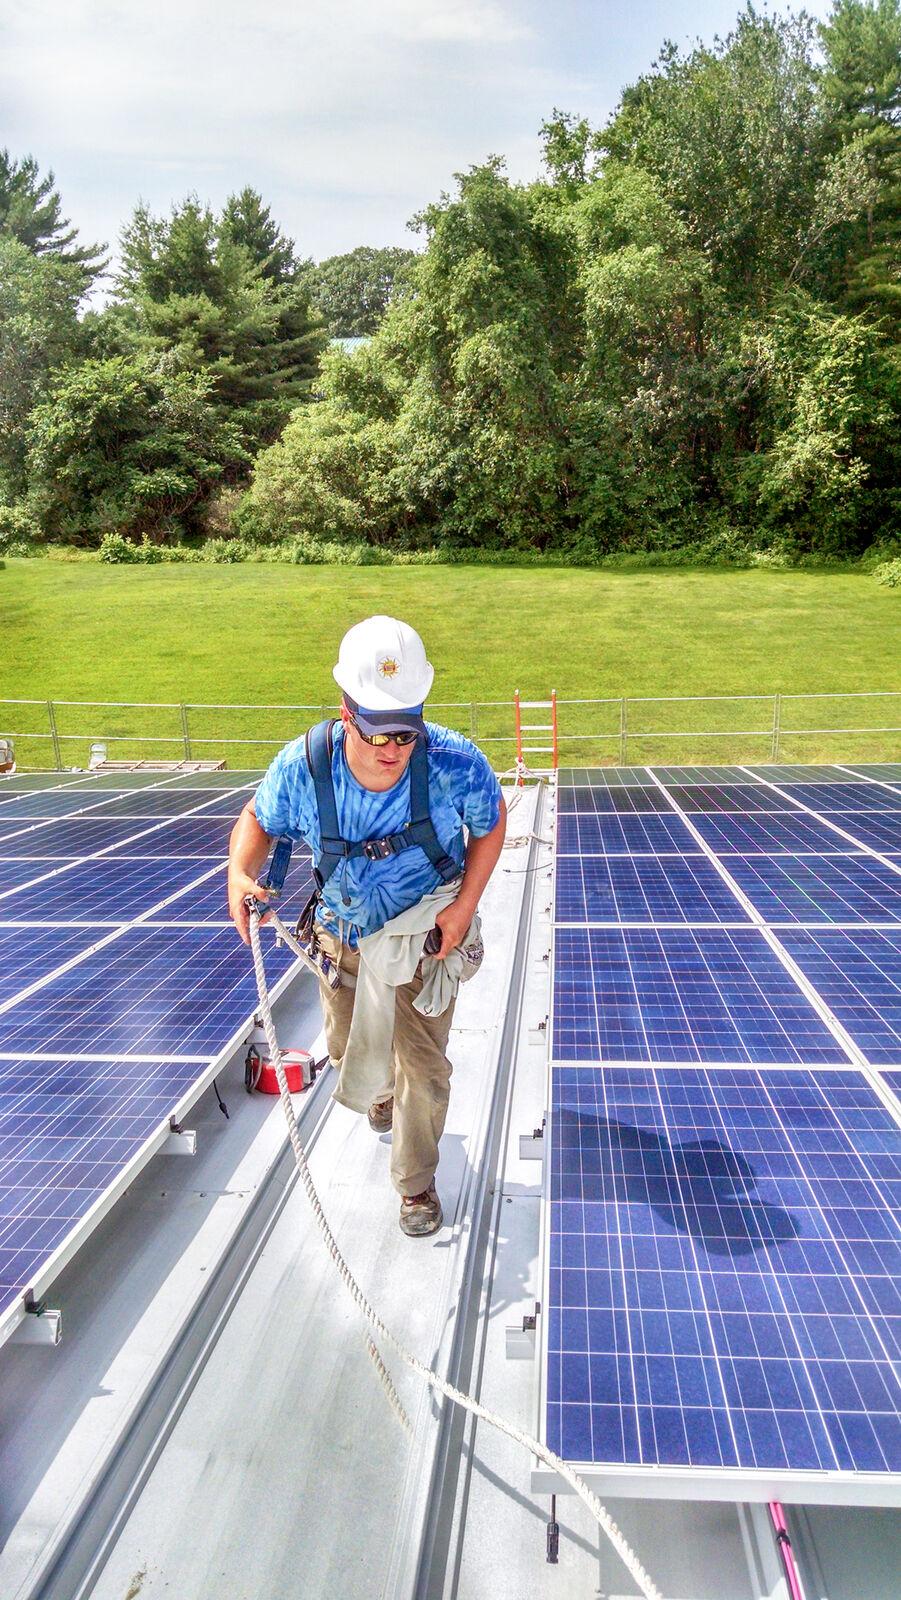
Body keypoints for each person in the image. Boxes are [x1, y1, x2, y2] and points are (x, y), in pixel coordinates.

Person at [227, 616, 506, 1237]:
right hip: (343, 937)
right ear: (346, 711)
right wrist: (239, 875)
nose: (392, 749)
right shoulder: (303, 769)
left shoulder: (455, 764)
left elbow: (490, 823)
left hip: (423, 938)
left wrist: (463, 908)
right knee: (348, 1048)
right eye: (377, 731)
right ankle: (376, 1091)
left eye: (406, 733)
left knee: (425, 1074)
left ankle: (416, 1185)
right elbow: (257, 819)